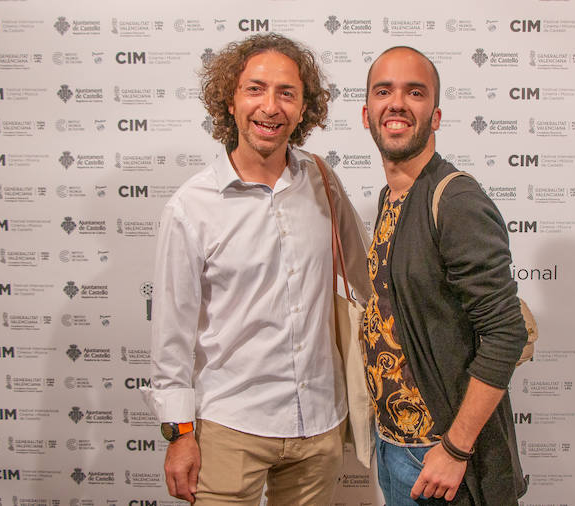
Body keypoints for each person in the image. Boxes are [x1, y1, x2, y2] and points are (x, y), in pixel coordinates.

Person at [140, 33, 370, 505]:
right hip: (230, 427)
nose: (271, 106)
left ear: (305, 107)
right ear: (230, 99)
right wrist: (180, 433)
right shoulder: (191, 207)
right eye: (255, 89)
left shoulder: (323, 182)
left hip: (320, 427)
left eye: (287, 93)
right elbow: (172, 337)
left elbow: (368, 279)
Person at [360, 46, 530, 505]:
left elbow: (504, 333)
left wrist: (454, 450)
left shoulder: (455, 200)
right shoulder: (390, 198)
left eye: (414, 92)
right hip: (395, 447)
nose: (396, 103)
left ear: (435, 116)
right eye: (384, 91)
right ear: (366, 114)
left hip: (441, 458)